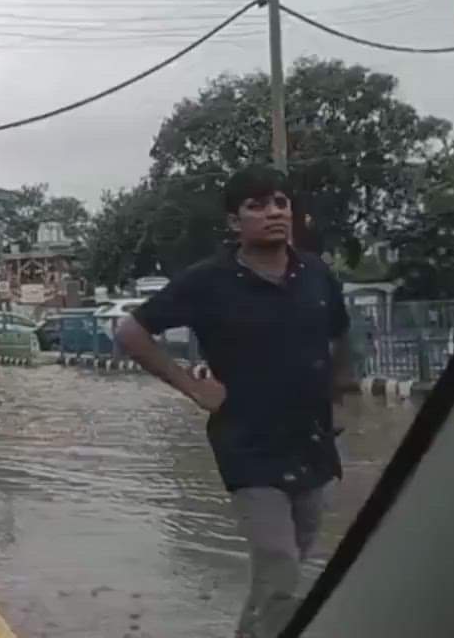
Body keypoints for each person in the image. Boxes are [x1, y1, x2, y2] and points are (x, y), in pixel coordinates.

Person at [114, 165, 353, 638]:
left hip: (311, 440)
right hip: (248, 443)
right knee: (279, 563)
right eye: (257, 205)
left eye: (281, 203)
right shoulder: (209, 281)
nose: (273, 213)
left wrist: (341, 395)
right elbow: (131, 332)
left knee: (286, 568)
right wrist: (192, 386)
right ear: (233, 221)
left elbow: (342, 335)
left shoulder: (316, 274)